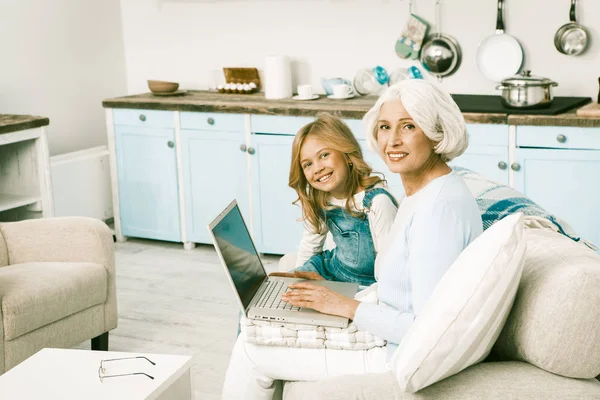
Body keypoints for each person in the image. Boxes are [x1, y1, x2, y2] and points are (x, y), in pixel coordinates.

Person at [222, 80, 483, 400]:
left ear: (435, 131)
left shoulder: (437, 210)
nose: (393, 140)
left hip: (393, 355)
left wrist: (342, 305)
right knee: (263, 321)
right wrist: (334, 294)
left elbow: (425, 331)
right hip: (381, 327)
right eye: (385, 127)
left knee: (251, 350)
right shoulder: (424, 193)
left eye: (408, 126)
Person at [276, 113, 398, 286]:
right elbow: (310, 247)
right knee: (282, 291)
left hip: (365, 285)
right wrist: (299, 281)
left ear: (347, 155)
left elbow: (389, 271)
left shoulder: (377, 203)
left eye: (324, 155)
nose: (317, 168)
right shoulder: (321, 198)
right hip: (330, 269)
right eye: (308, 164)